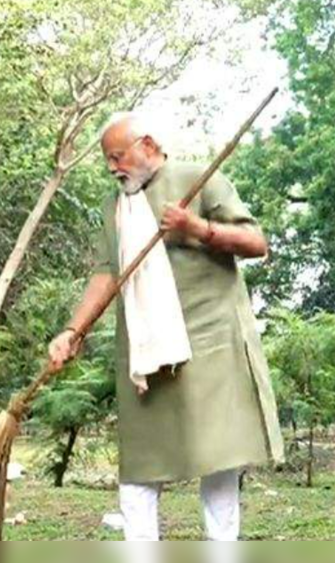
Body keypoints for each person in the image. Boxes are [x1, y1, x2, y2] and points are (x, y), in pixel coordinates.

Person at [47, 112, 283, 542]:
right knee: (139, 470)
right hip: (145, 350)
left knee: (219, 460)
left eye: (118, 157)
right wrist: (72, 330)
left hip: (211, 345)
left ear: (149, 146)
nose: (112, 168)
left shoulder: (201, 178)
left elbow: (256, 243)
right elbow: (107, 271)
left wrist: (197, 228)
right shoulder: (115, 203)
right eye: (108, 160)